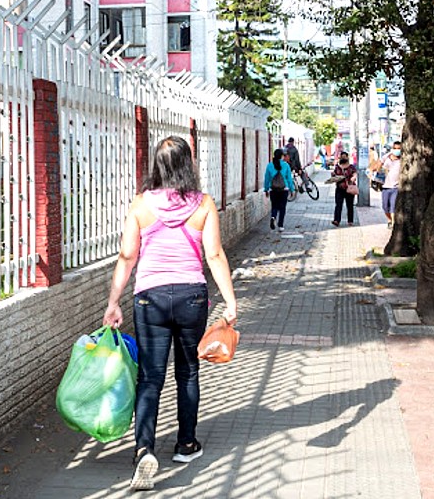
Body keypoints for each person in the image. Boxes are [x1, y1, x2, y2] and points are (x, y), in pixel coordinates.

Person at [101, 136, 239, 492]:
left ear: (157, 167)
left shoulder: (140, 204)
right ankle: (185, 444)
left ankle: (144, 448)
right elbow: (215, 256)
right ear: (187, 164)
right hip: (191, 296)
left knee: (150, 377)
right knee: (188, 372)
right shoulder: (203, 204)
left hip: (150, 298)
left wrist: (113, 301)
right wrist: (231, 301)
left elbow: (127, 257)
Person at [371, 140, 402, 228]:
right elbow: (376, 167)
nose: (397, 150)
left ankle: (393, 224)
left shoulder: (403, 159)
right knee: (385, 206)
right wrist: (378, 167)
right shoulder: (386, 157)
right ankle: (389, 220)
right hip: (385, 186)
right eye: (395, 148)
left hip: (396, 187)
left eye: (399, 148)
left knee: (393, 206)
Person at [264, 148, 295, 232]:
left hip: (273, 189)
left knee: (274, 206)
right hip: (284, 189)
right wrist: (292, 190)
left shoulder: (270, 165)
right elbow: (289, 179)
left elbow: (267, 178)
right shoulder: (285, 165)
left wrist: (266, 189)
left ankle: (273, 216)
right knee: (282, 207)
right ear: (282, 156)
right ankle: (280, 225)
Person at [331, 153, 358, 226]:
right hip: (340, 188)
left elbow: (355, 173)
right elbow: (334, 175)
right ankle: (336, 220)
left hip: (349, 188)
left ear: (347, 158)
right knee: (338, 205)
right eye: (341, 157)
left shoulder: (351, 167)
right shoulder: (337, 167)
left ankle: (350, 221)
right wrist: (333, 175)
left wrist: (353, 177)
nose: (343, 158)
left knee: (350, 205)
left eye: (344, 157)